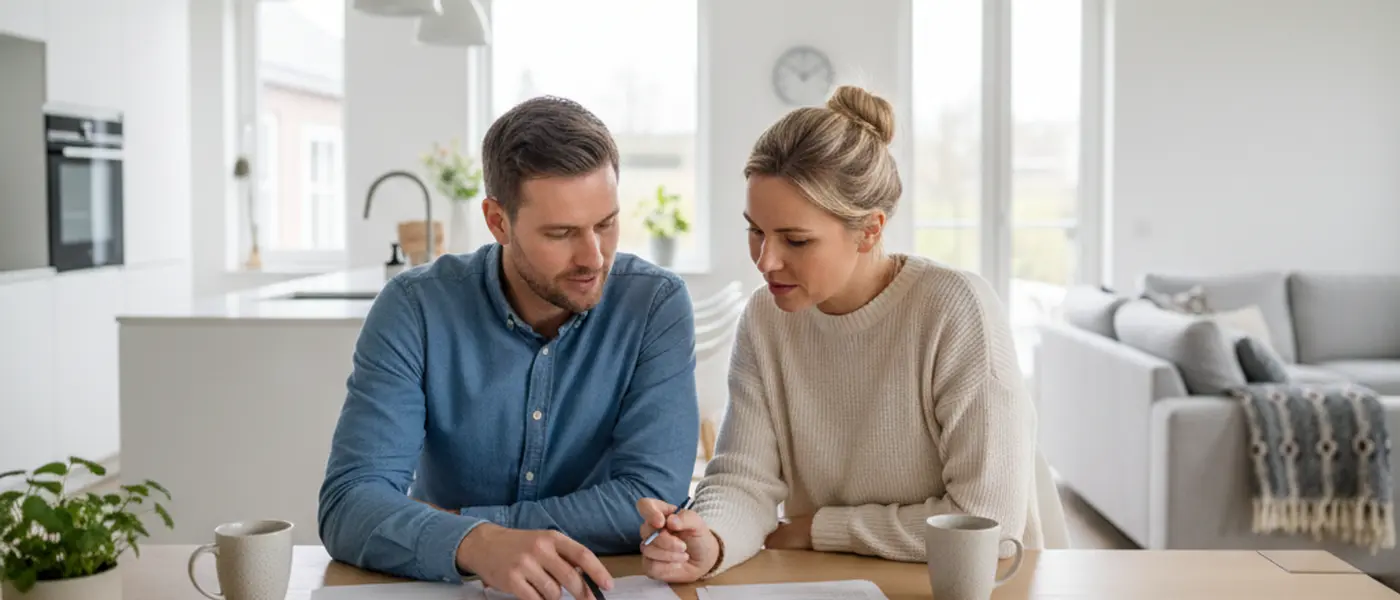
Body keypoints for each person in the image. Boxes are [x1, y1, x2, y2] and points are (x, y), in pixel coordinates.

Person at [634, 85, 1043, 582]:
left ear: (870, 230)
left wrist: (821, 529)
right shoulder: (766, 319)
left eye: (796, 239)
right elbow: (744, 480)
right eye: (755, 230)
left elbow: (988, 524)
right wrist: (709, 539)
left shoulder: (955, 310)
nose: (766, 260)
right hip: (833, 583)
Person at [318, 95, 700, 600]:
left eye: (605, 223)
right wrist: (478, 546)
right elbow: (349, 503)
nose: (594, 256)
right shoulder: (415, 308)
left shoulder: (654, 304)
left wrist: (469, 527)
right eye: (561, 233)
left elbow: (649, 497)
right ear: (498, 221)